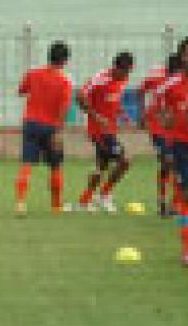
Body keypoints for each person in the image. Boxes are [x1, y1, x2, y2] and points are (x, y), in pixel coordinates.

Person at [155, 38, 188, 266]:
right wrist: (166, 120)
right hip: (183, 145)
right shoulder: (170, 85)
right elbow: (159, 108)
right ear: (182, 57)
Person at [13, 40, 73, 216]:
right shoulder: (65, 82)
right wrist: (59, 131)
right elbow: (64, 109)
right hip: (51, 127)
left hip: (31, 123)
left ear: (49, 56)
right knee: (55, 166)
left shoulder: (33, 74)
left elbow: (21, 91)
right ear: (65, 61)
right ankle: (56, 206)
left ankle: (21, 203)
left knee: (26, 164)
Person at [75, 52, 134, 212]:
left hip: (110, 130)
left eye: (129, 72)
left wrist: (122, 113)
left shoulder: (123, 80)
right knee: (125, 160)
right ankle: (104, 194)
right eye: (124, 72)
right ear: (116, 68)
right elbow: (79, 96)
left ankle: (85, 200)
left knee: (101, 166)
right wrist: (96, 116)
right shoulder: (100, 79)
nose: (126, 76)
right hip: (99, 131)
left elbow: (113, 100)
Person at [140, 54, 178, 217]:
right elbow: (141, 91)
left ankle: (175, 204)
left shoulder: (187, 80)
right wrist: (142, 113)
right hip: (158, 127)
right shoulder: (156, 76)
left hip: (177, 129)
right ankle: (163, 203)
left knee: (177, 164)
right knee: (167, 161)